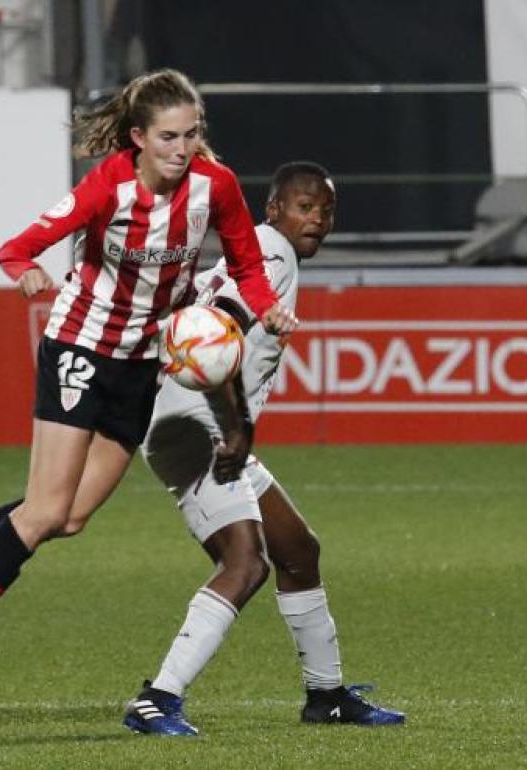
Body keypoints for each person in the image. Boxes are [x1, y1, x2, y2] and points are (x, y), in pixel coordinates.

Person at [0, 67, 297, 738]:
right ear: (138, 136)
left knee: (67, 519)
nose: (182, 148)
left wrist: (269, 310)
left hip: (139, 366)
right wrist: (29, 273)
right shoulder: (108, 186)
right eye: (168, 136)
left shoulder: (214, 188)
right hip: (79, 348)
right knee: (42, 510)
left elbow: (246, 263)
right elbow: (14, 249)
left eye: (191, 135)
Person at [120, 161, 406, 735]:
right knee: (245, 563)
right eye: (306, 206)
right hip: (202, 427)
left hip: (204, 421)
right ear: (274, 209)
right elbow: (213, 339)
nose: (318, 219)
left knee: (298, 549)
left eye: (327, 210)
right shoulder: (272, 253)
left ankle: (325, 696)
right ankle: (156, 699)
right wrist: (237, 426)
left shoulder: (263, 252)